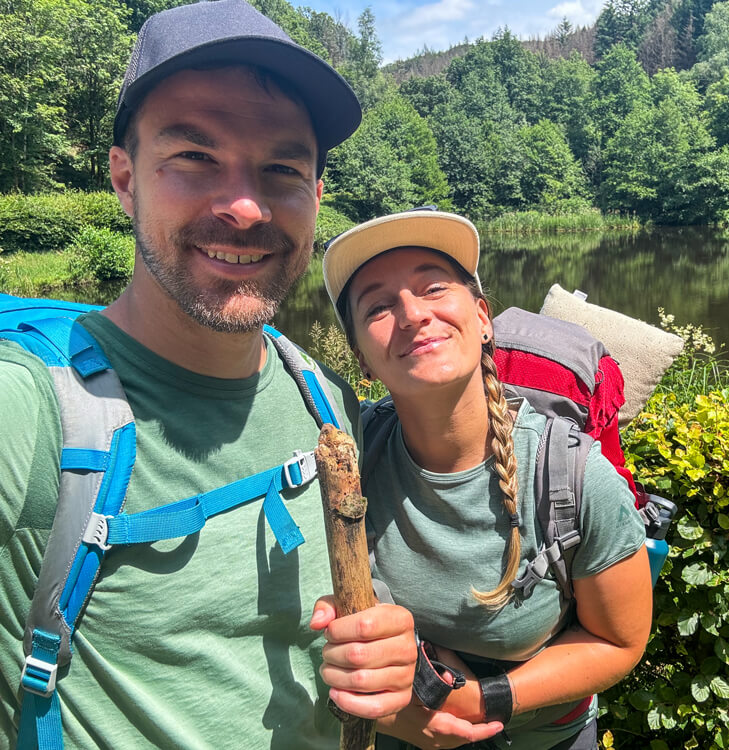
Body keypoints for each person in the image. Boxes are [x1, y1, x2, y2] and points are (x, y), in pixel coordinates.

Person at [0, 3, 500, 748]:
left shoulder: (325, 400)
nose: (243, 205)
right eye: (195, 157)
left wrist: (386, 670)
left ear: (317, 197)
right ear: (124, 177)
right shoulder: (29, 409)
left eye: (282, 169)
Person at [322, 210, 654, 749]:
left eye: (433, 288)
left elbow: (618, 640)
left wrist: (482, 699)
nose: (411, 314)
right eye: (378, 306)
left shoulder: (572, 475)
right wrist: (393, 715)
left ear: (482, 318)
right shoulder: (350, 462)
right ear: (361, 357)